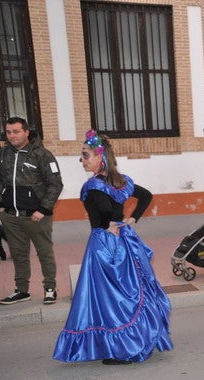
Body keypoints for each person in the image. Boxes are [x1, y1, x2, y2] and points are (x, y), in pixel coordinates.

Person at [53, 130, 173, 364]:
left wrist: (107, 223)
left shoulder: (93, 185)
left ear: (100, 157)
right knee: (125, 293)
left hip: (104, 244)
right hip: (123, 239)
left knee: (110, 297)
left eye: (85, 155)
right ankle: (129, 341)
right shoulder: (120, 181)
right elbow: (145, 196)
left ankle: (123, 347)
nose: (81, 160)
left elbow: (105, 209)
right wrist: (131, 219)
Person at [0, 117, 63, 305]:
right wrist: (0, 204)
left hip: (37, 217)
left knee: (44, 254)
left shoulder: (42, 154)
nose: (12, 136)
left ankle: (50, 288)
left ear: (26, 132)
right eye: (8, 132)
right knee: (18, 255)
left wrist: (43, 209)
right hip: (11, 216)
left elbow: (56, 184)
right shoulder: (3, 153)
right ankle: (22, 290)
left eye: (16, 131)